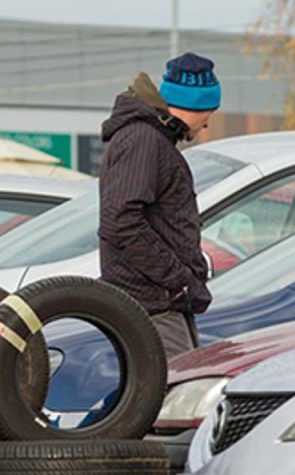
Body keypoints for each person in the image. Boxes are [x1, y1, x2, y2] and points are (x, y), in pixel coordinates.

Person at [97, 51, 221, 360]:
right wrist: (178, 280)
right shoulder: (144, 140)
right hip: (152, 305)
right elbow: (120, 221)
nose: (207, 125)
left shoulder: (151, 139)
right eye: (210, 113)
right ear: (196, 105)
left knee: (178, 394)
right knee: (176, 399)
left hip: (159, 303)